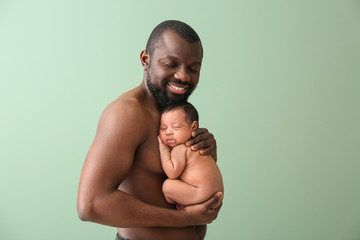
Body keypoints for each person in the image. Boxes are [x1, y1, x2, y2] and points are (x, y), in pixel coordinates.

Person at [77, 20, 223, 240]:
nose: (183, 76)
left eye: (193, 68)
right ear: (146, 59)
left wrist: (207, 156)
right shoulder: (126, 114)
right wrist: (187, 219)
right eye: (171, 64)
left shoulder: (176, 113)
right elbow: (91, 205)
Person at [158, 102, 224, 208]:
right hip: (215, 192)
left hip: (202, 193)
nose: (168, 132)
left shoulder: (181, 148)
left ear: (193, 127)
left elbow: (172, 172)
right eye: (163, 128)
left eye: (176, 127)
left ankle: (184, 202)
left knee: (167, 185)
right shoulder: (199, 146)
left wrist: (164, 150)